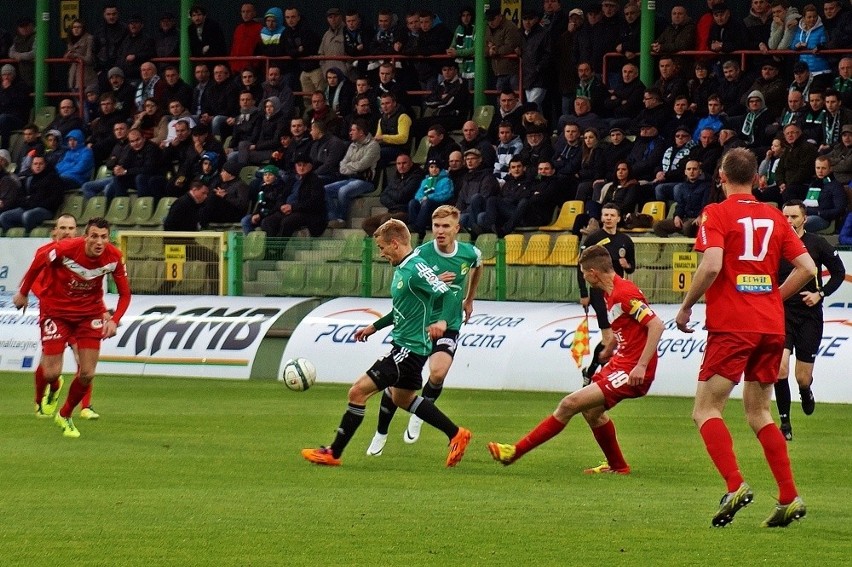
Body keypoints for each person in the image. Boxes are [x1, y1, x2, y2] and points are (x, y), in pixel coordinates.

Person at [675, 147, 815, 528]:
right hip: (771, 326)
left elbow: (713, 263)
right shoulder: (773, 215)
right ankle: (788, 497)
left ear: (721, 176)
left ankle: (735, 484)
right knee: (758, 412)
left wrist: (687, 305)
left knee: (705, 409)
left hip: (733, 326)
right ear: (758, 178)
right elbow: (807, 267)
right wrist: (773, 297)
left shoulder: (716, 213)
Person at [301, 218, 472, 467]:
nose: (381, 253)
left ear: (394, 243)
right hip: (408, 347)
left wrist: (444, 322)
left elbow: (449, 294)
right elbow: (402, 309)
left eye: (382, 247)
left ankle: (333, 453)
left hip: (408, 349)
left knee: (357, 392)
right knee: (403, 399)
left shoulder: (415, 269)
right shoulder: (405, 268)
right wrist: (374, 326)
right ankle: (457, 434)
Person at [488, 244, 663, 472]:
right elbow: (627, 326)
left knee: (569, 403)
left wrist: (641, 365)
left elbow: (656, 325)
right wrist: (610, 346)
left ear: (593, 273)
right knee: (592, 412)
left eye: (583, 273)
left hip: (632, 369)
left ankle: (513, 452)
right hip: (620, 362)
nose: (583, 277)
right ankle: (618, 466)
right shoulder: (611, 293)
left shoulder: (623, 293)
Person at [367, 205, 482, 454]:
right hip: (419, 327)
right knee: (398, 384)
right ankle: (381, 432)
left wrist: (470, 298)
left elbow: (478, 265)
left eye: (445, 226)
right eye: (436, 226)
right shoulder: (420, 255)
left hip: (448, 324)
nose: (440, 231)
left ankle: (420, 413)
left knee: (438, 373)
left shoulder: (469, 253)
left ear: (456, 228)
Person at [13, 218, 131, 439]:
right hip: (56, 313)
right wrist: (23, 292)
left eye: (103, 237)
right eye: (94, 236)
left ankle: (66, 414)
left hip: (89, 315)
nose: (99, 241)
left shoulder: (114, 257)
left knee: (87, 373)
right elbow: (39, 260)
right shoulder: (66, 249)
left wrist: (114, 319)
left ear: (108, 238)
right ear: (85, 236)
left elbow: (125, 294)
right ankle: (54, 388)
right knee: (51, 372)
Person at [774, 200, 845, 441]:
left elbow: (838, 272)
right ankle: (785, 423)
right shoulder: (774, 244)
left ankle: (806, 391)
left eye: (793, 217)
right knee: (779, 367)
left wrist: (820, 293)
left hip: (808, 316)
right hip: (781, 312)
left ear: (804, 219)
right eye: (785, 217)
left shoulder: (816, 243)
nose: (789, 221)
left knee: (802, 377)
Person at [30, 215, 101, 420]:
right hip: (54, 315)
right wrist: (47, 297)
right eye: (63, 227)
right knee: (49, 366)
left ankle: (86, 406)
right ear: (55, 231)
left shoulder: (82, 254)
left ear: (76, 231)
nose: (67, 231)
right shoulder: (45, 253)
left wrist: (101, 309)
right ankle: (42, 397)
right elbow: (33, 279)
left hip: (79, 316)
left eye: (71, 228)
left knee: (84, 360)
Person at [576, 203, 636, 382]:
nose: (608, 218)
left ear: (618, 218)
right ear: (602, 217)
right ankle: (601, 377)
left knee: (611, 338)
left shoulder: (625, 240)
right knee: (608, 336)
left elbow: (632, 266)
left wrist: (628, 266)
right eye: (605, 215)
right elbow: (580, 267)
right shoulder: (593, 239)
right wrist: (583, 293)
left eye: (612, 215)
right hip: (598, 292)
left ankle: (591, 371)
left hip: (617, 293)